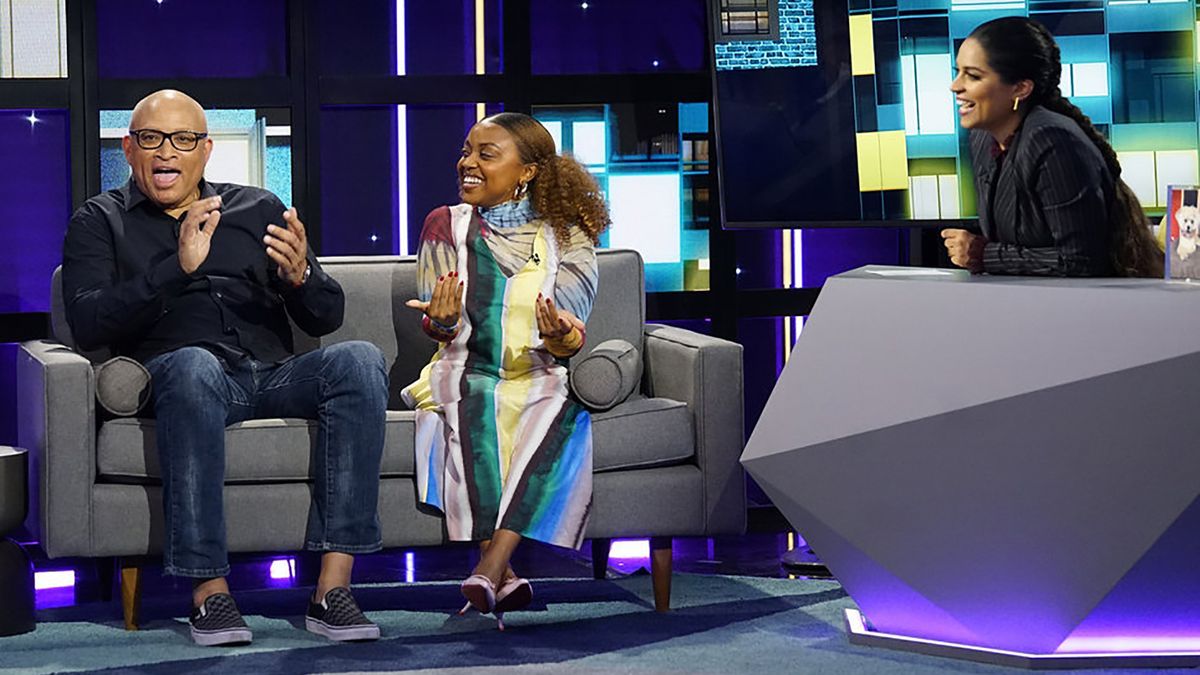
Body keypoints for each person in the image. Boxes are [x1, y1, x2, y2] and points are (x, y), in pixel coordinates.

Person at [61, 90, 388, 646]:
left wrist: (302, 277)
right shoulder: (99, 221)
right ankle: (209, 595)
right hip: (190, 377)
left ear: (205, 150)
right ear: (128, 147)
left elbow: (327, 315)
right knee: (191, 366)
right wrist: (175, 269)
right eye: (151, 138)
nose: (167, 152)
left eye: (183, 139)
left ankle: (331, 591)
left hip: (272, 374)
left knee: (360, 359)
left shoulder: (256, 207)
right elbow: (89, 322)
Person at [401, 112, 609, 629]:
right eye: (466, 151)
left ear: (528, 172)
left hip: (537, 373)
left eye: (485, 155)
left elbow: (571, 334)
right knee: (471, 409)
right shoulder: (443, 225)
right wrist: (441, 322)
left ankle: (491, 568)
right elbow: (438, 322)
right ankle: (500, 573)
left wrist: (562, 334)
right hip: (465, 365)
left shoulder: (568, 235)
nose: (467, 163)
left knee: (557, 415)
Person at [942, 16, 1162, 277]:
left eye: (973, 76)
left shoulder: (1050, 139)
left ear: (1020, 88)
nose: (955, 86)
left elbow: (1081, 261)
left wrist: (983, 254)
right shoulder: (983, 138)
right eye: (958, 72)